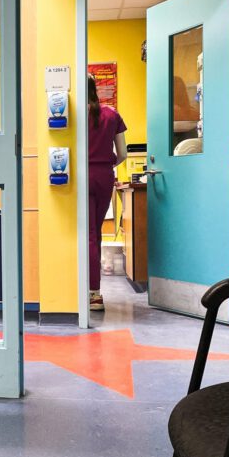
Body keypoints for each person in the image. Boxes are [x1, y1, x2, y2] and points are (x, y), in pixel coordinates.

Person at [87, 75, 127, 312]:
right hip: (104, 175)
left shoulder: (75, 116)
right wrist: (107, 164)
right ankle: (95, 294)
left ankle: (84, 290)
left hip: (81, 175)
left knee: (87, 234)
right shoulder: (111, 115)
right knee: (96, 233)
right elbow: (122, 153)